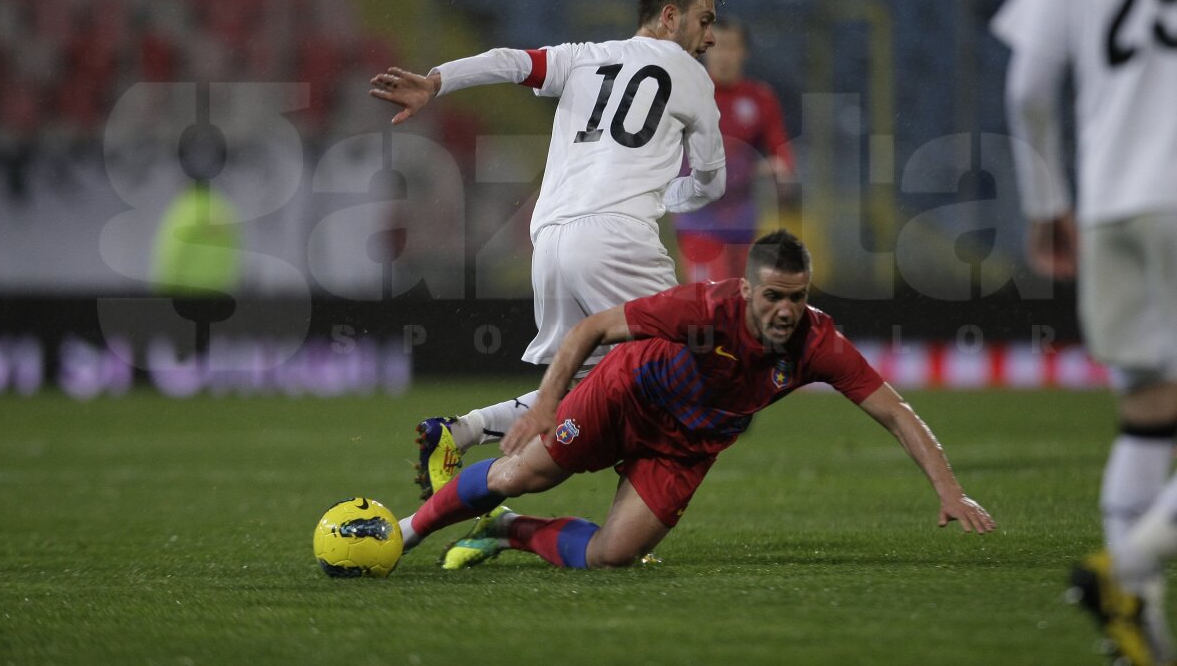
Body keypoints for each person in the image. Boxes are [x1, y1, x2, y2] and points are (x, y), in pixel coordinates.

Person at [394, 230, 996, 570]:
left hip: (685, 449)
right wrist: (550, 401)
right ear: (747, 288)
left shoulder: (819, 342)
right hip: (623, 396)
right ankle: (405, 533)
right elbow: (593, 329)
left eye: (797, 296)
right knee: (522, 472)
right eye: (772, 297)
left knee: (612, 557)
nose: (785, 310)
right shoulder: (706, 309)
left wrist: (949, 489)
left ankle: (508, 533)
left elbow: (894, 409)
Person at [370, 0, 727, 500]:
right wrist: (668, 196)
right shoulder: (693, 76)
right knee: (684, 375)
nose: (711, 35)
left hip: (551, 242)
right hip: (617, 241)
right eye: (705, 20)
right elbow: (711, 181)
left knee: (577, 389)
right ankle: (631, 529)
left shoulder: (583, 56)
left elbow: (510, 62)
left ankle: (460, 432)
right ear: (670, 16)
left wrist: (437, 81)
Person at [992, 0, 1177, 663]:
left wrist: (1046, 200)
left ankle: (1134, 627)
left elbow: (1028, 84)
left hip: (1109, 207)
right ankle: (1130, 566)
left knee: (1148, 417)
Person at [673, 17, 796, 283]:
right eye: (715, 46)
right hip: (698, 220)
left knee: (742, 304)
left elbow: (781, 151)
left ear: (744, 52)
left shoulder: (760, 98)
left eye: (730, 46)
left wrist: (779, 171)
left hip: (742, 221)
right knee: (711, 302)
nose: (723, 55)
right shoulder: (686, 95)